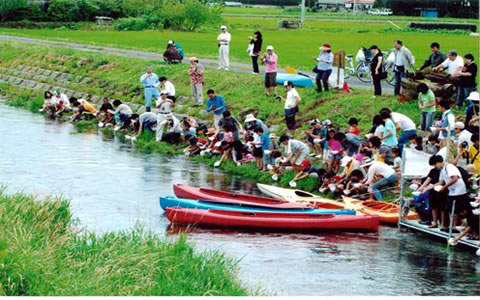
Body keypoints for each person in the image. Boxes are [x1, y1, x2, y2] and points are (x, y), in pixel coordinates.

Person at [432, 155, 469, 233]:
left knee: (456, 209)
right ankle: (452, 226)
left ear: (438, 162)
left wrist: (444, 187)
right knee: (450, 209)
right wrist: (430, 187)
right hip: (452, 191)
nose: (435, 167)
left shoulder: (449, 167)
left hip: (459, 190)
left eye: (435, 165)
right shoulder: (442, 170)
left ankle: (455, 226)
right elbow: (441, 182)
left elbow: (455, 178)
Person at [417, 155, 449, 229]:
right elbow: (428, 179)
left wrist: (430, 186)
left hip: (441, 190)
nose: (435, 166)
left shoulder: (444, 170)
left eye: (435, 164)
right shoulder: (433, 170)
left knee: (442, 207)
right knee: (433, 206)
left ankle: (443, 224)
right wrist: (421, 187)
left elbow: (442, 182)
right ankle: (434, 222)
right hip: (433, 190)